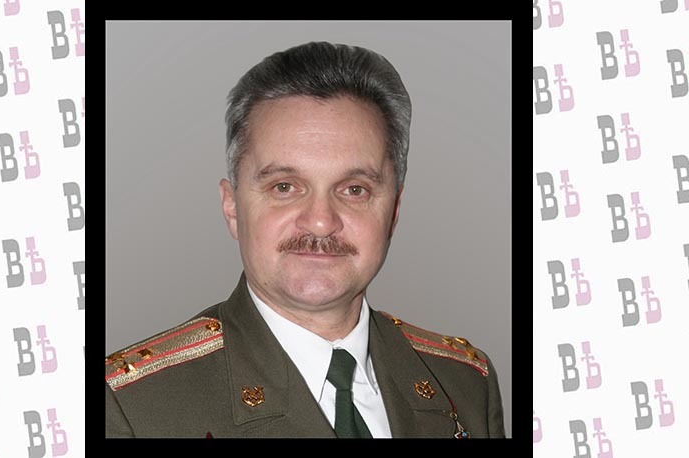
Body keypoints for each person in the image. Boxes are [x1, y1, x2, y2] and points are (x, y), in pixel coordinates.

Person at [105, 41, 505, 438]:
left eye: (354, 190)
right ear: (232, 207)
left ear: (394, 211)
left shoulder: (464, 384)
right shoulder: (132, 408)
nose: (320, 222)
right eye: (284, 187)